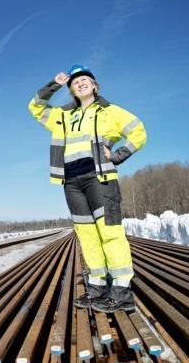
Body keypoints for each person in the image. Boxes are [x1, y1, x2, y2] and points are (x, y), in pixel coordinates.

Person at [28, 64, 146, 312]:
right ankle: (96, 290)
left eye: (85, 79)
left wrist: (118, 155)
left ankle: (122, 292)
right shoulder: (62, 116)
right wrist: (53, 84)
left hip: (100, 178)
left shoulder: (110, 111)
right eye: (75, 81)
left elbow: (138, 131)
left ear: (94, 85)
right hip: (71, 182)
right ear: (70, 89)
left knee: (110, 233)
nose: (80, 83)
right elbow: (35, 107)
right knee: (87, 237)